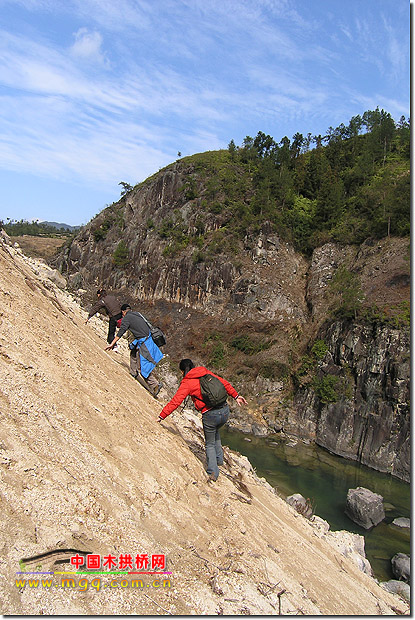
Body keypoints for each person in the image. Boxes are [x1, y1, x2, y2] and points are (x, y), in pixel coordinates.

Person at [158, 359, 247, 481]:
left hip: (210, 415)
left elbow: (176, 401)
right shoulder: (205, 373)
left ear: (182, 371)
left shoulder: (187, 383)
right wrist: (236, 396)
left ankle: (213, 472)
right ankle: (219, 459)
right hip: (225, 411)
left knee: (209, 443)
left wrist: (162, 416)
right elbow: (224, 383)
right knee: (215, 432)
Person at [106, 304, 163, 397]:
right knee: (133, 353)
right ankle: (133, 372)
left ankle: (155, 385)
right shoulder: (137, 314)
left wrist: (112, 343)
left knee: (143, 366)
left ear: (123, 312)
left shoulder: (127, 319)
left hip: (144, 343)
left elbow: (121, 331)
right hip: (146, 339)